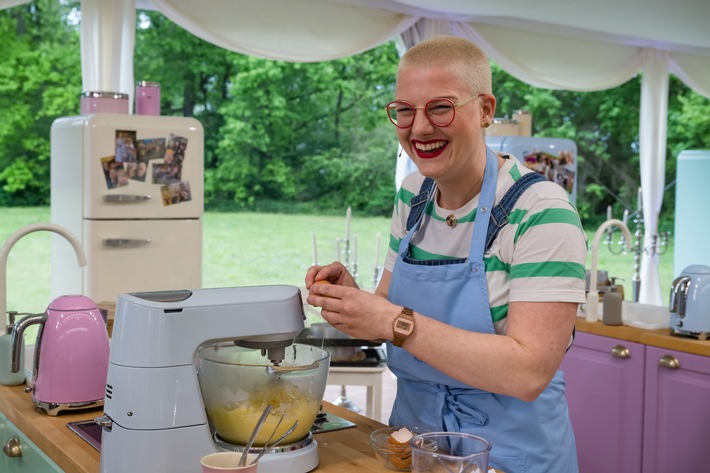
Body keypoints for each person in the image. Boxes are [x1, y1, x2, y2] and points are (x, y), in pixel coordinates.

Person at [305, 35, 587, 473]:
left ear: (486, 109)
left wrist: (392, 321)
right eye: (404, 110)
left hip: (507, 458)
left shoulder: (542, 212)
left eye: (440, 107)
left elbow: (528, 373)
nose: (418, 128)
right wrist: (355, 302)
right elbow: (387, 310)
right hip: (414, 448)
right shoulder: (413, 195)